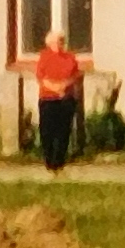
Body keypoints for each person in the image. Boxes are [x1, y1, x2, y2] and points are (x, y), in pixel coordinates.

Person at [35, 28, 84, 172]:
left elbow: (75, 75)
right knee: (47, 131)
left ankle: (60, 161)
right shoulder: (44, 57)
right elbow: (41, 77)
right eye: (57, 41)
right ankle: (49, 161)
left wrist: (64, 85)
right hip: (48, 98)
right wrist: (55, 88)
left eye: (62, 41)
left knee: (63, 131)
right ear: (49, 43)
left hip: (66, 98)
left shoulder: (70, 57)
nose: (60, 44)